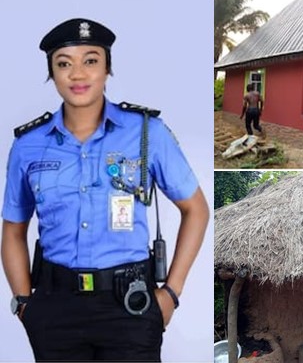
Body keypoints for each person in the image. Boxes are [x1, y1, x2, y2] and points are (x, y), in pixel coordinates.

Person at [1, 18, 209, 361]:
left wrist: (171, 294)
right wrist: (25, 304)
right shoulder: (28, 146)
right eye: (64, 63)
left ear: (107, 68)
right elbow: (12, 230)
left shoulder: (147, 133)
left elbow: (196, 209)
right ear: (52, 73)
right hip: (56, 308)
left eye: (91, 60)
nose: (78, 74)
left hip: (130, 306)